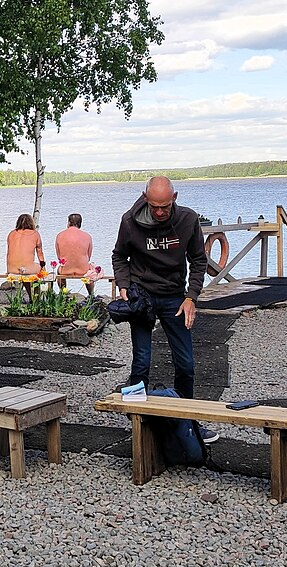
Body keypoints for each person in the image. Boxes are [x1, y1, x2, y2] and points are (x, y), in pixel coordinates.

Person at [111, 176, 217, 442]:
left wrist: (191, 297)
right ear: (145, 198)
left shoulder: (188, 220)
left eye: (165, 207)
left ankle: (187, 423)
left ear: (175, 199)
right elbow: (119, 256)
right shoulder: (129, 221)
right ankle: (139, 421)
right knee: (142, 361)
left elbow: (198, 260)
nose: (159, 212)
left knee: (186, 364)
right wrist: (124, 285)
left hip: (174, 297)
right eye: (155, 206)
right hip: (142, 296)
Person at [6, 213, 45, 300]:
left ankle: (31, 297)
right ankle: (35, 298)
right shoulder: (35, 234)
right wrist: (43, 266)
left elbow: (9, 252)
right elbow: (40, 253)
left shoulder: (11, 234)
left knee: (26, 271)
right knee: (38, 270)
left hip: (12, 268)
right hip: (26, 268)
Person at [55, 213, 94, 295]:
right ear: (80, 223)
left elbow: (59, 257)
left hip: (65, 270)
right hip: (83, 270)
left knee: (59, 270)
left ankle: (63, 293)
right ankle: (91, 295)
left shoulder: (60, 235)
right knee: (90, 270)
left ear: (69, 222)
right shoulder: (87, 236)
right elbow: (88, 256)